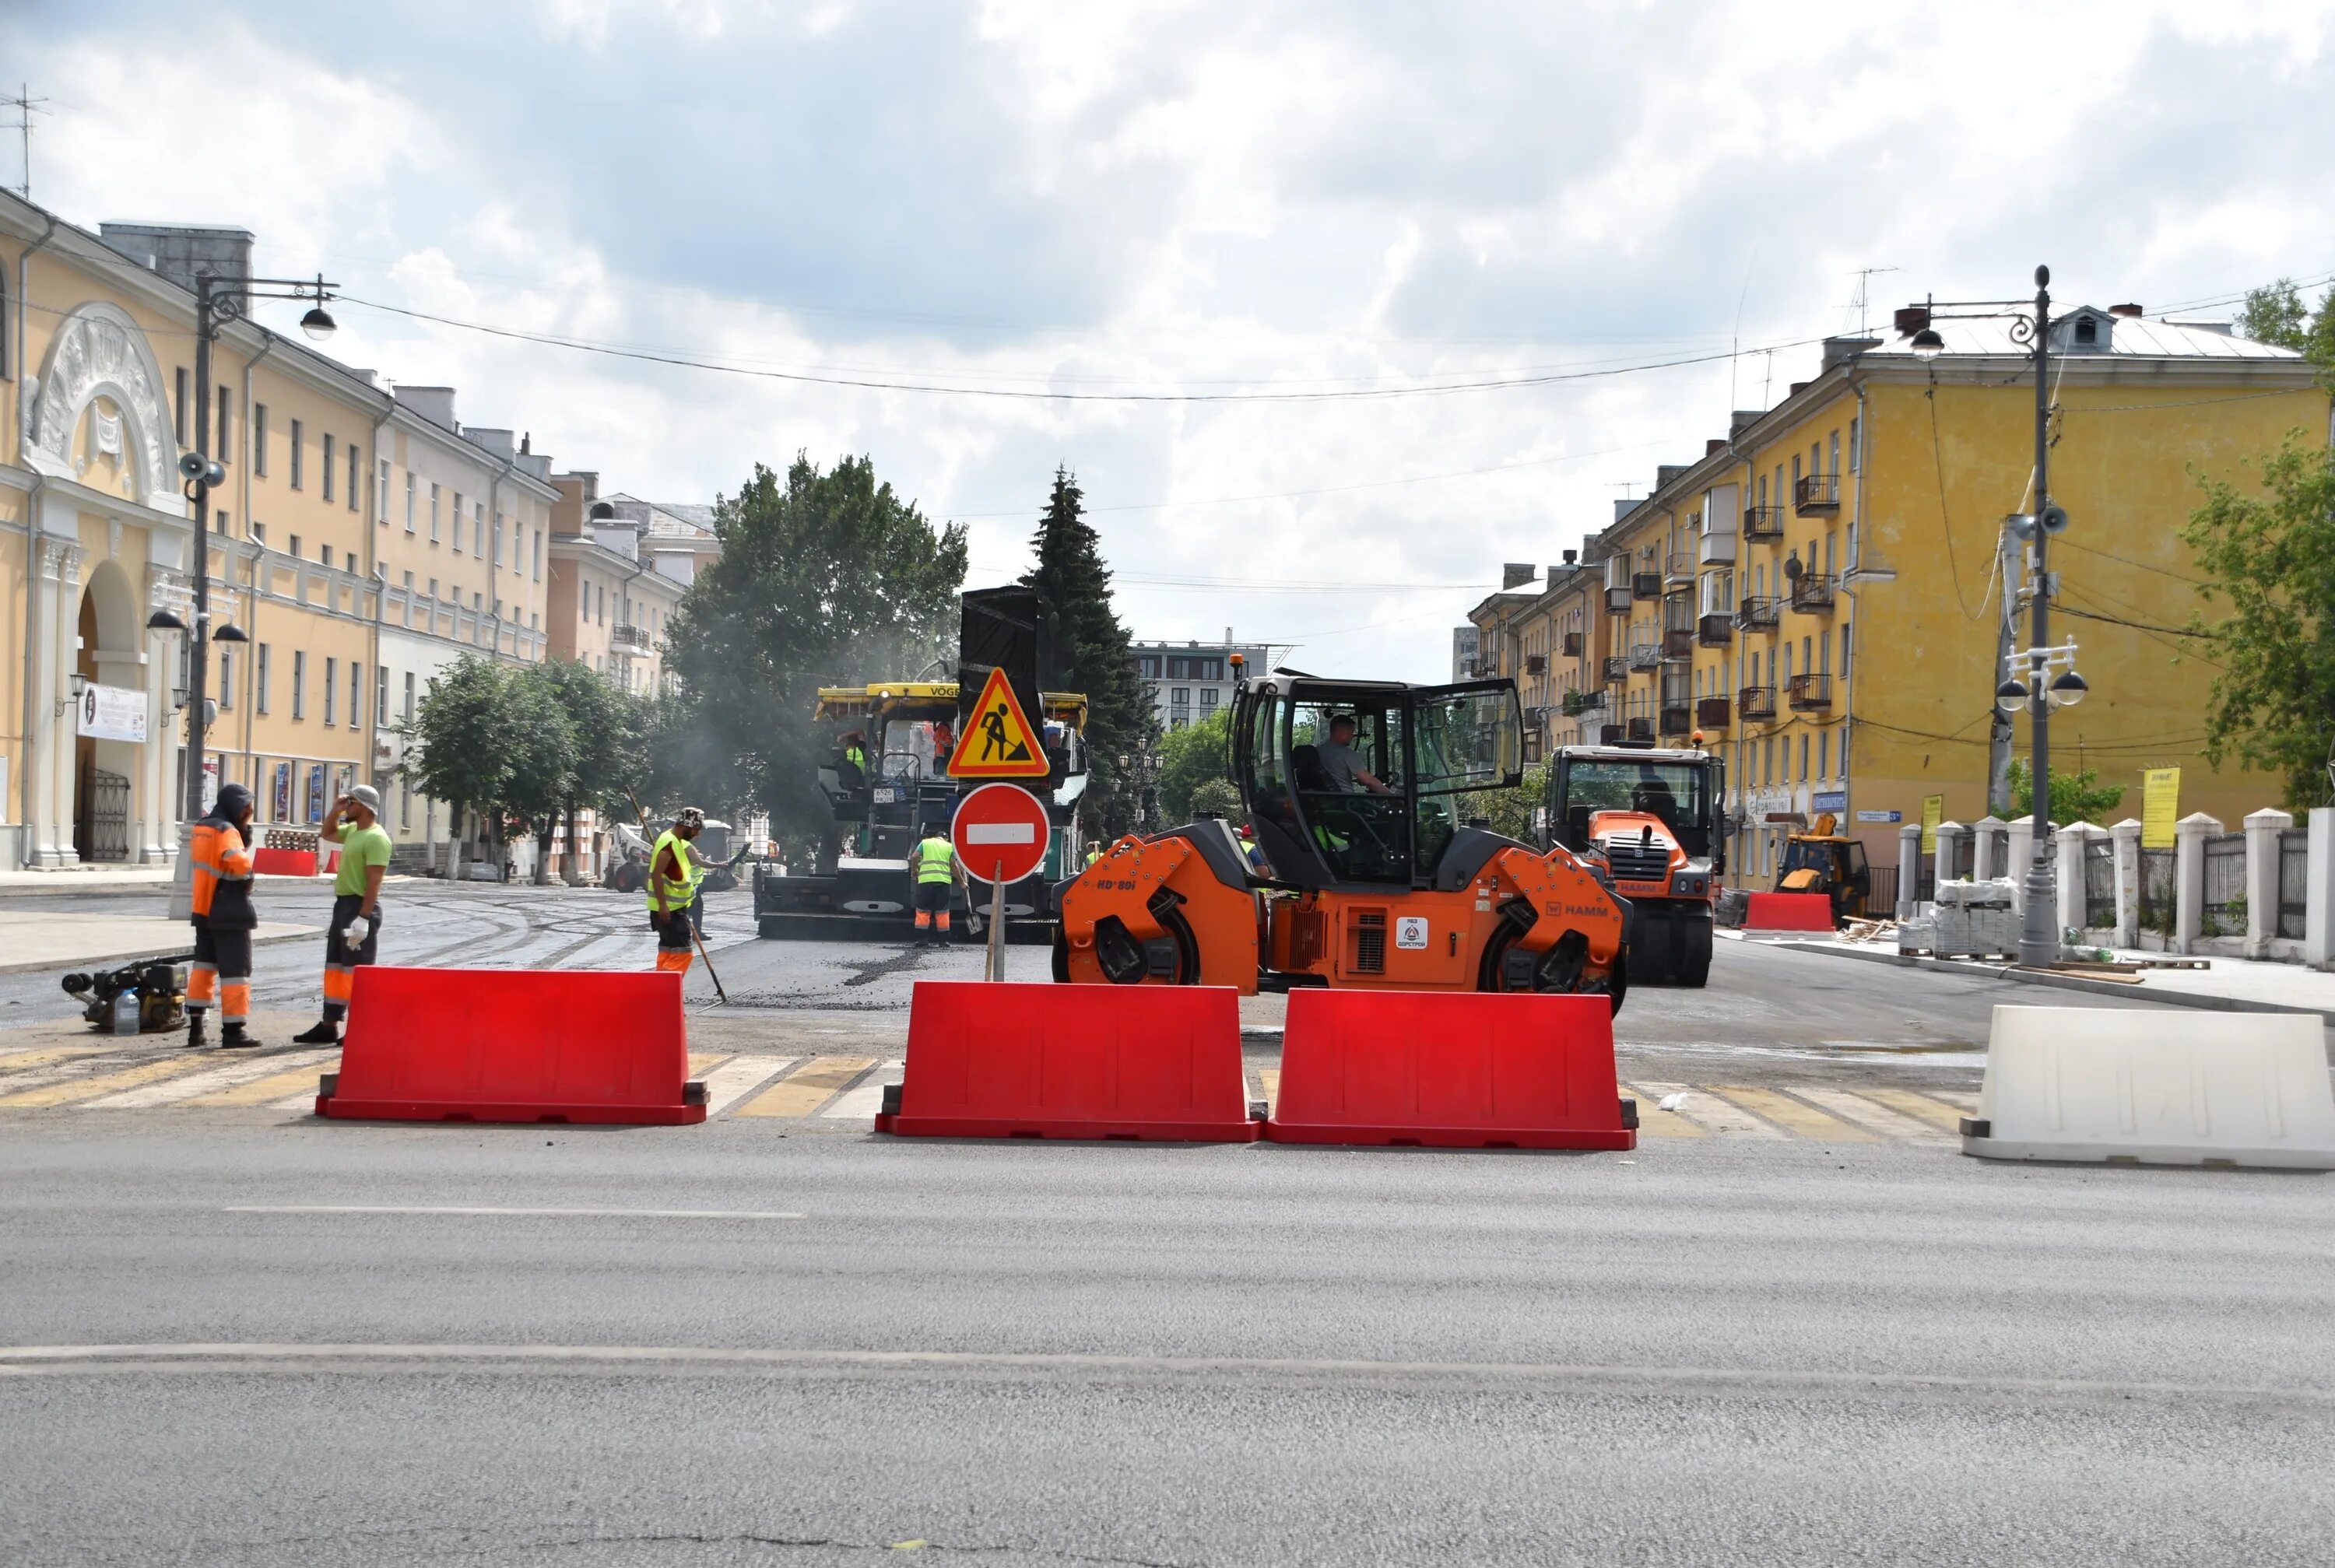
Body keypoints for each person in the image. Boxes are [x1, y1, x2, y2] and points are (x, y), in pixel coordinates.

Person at [293, 785, 393, 1045]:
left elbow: (374, 882)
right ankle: (329, 1024)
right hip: (343, 907)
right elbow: (327, 833)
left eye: (351, 802)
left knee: (357, 972)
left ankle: (362, 1027)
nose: (347, 806)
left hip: (360, 907)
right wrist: (336, 811)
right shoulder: (353, 831)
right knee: (336, 968)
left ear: (364, 806)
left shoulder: (376, 838)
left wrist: (364, 918)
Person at [186, 781, 260, 1049]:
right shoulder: (227, 830)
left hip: (203, 907)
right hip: (229, 908)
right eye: (247, 809)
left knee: (203, 967)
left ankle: (196, 1028)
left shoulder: (202, 826)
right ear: (238, 807)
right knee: (236, 972)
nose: (249, 814)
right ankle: (234, 1031)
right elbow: (238, 863)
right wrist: (249, 876)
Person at [647, 807, 709, 973]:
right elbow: (657, 874)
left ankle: (659, 988)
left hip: (672, 908)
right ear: (687, 826)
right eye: (696, 830)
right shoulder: (670, 844)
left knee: (668, 951)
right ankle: (665, 990)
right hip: (669, 910)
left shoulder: (673, 840)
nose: (697, 834)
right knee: (683, 953)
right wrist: (663, 906)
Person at [911, 826, 964, 948]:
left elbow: (914, 857)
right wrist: (961, 882)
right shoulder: (949, 846)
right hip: (943, 882)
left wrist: (915, 871)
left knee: (923, 911)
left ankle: (922, 939)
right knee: (942, 912)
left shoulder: (925, 843)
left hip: (925, 882)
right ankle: (943, 941)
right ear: (946, 839)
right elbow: (954, 867)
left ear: (936, 837)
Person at [1316, 715, 1394, 795]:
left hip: (1324, 800)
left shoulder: (1317, 751)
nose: (1352, 736)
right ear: (1342, 731)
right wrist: (1394, 797)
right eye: (1351, 732)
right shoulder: (1347, 754)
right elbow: (1369, 782)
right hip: (1345, 802)